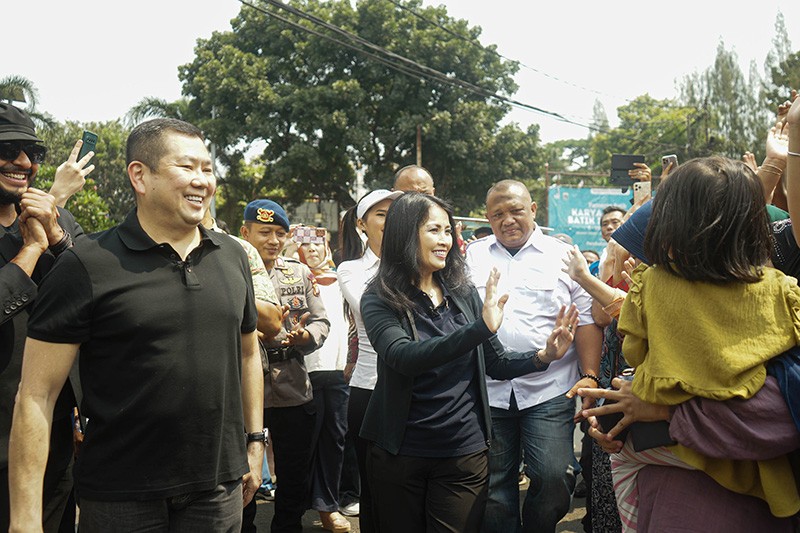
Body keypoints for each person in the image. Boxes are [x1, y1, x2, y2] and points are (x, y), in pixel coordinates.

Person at [9, 118, 265, 531]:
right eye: (187, 167)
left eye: (207, 168)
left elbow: (249, 351)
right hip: (119, 498)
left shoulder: (233, 256)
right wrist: (25, 519)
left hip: (217, 494)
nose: (202, 181)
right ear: (140, 176)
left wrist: (255, 443)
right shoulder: (86, 264)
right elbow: (36, 395)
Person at [598, 156, 800, 529]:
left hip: (683, 484)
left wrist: (664, 408)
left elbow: (634, 351)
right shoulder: (783, 292)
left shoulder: (649, 284)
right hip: (751, 481)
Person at [360, 192, 579, 532]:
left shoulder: (462, 292)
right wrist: (480, 328)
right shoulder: (379, 296)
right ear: (405, 233)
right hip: (401, 450)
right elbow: (403, 356)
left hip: (464, 451)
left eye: (448, 231)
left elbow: (497, 362)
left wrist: (544, 357)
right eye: (434, 230)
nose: (445, 240)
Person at [466, 179, 602, 533]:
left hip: (549, 387)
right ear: (487, 218)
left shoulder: (563, 256)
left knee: (556, 476)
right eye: (497, 214)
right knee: (495, 484)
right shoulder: (472, 256)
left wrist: (589, 374)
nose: (507, 220)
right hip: (490, 389)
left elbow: (587, 320)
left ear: (533, 210)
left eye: (515, 210)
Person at [0, 104, 90, 532]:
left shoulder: (59, 218)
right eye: (8, 149)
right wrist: (31, 249)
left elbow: (101, 297)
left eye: (32, 152)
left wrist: (55, 235)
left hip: (51, 435)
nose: (24, 163)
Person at [240, 199, 330, 533]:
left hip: (293, 385)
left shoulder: (300, 272)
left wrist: (306, 336)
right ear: (245, 232)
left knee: (294, 474)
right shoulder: (230, 270)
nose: (274, 240)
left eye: (280, 233)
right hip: (246, 390)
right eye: (265, 232)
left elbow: (322, 322)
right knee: (243, 472)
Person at [337, 188, 402, 532]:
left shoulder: (423, 262)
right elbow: (375, 311)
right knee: (374, 488)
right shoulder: (351, 270)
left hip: (416, 390)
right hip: (371, 390)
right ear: (362, 224)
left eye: (396, 212)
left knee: (409, 486)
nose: (390, 220)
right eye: (381, 214)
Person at [293, 226, 351, 533]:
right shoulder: (292, 279)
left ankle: (328, 505)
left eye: (317, 246)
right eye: (304, 247)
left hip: (338, 371)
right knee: (304, 442)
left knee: (335, 440)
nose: (312, 251)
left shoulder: (343, 279)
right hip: (302, 371)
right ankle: (295, 505)